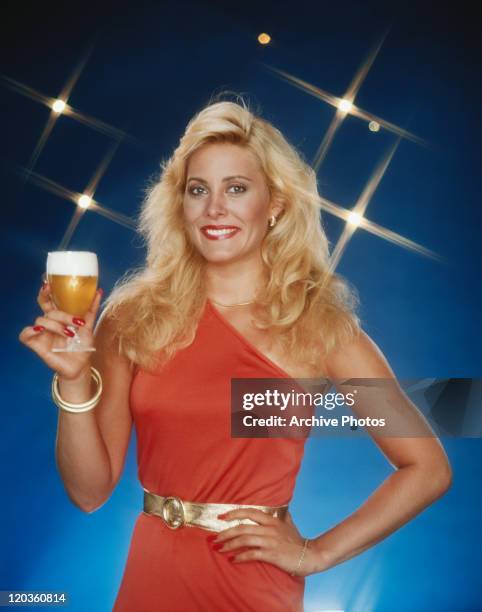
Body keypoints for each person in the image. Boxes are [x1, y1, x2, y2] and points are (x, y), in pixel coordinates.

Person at [19, 98, 453, 611]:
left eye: (237, 189)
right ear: (179, 204)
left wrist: (316, 553)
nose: (214, 209)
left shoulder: (320, 327)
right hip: (152, 579)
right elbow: (89, 493)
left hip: (254, 588)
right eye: (197, 190)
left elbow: (427, 467)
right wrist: (72, 381)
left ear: (275, 205)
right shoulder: (132, 317)